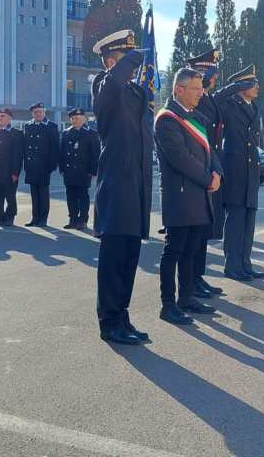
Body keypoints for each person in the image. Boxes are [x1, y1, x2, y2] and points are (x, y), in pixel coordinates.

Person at [91, 29, 152, 345]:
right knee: (113, 257)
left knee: (130, 255)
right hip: (116, 184)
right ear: (113, 61)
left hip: (136, 185)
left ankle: (122, 316)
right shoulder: (104, 86)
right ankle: (109, 321)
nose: (135, 67)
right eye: (127, 59)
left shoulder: (136, 93)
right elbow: (112, 82)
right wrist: (129, 61)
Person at [155, 67, 222, 326]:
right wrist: (208, 178)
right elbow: (181, 159)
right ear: (179, 89)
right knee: (174, 250)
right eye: (196, 89)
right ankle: (168, 304)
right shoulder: (167, 119)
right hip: (180, 196)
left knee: (191, 251)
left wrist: (216, 171)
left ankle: (186, 297)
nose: (201, 94)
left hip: (198, 195)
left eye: (201, 88)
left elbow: (209, 150)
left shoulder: (195, 116)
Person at [217, 65, 264, 281]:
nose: (257, 87)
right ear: (242, 85)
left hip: (251, 169)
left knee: (249, 220)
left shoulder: (253, 106)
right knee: (235, 220)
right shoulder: (229, 105)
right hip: (234, 168)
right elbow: (214, 100)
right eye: (252, 83)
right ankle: (232, 265)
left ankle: (245, 263)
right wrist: (233, 87)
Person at [189, 49, 226, 297]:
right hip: (201, 167)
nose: (212, 79)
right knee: (195, 233)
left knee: (203, 232)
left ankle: (198, 277)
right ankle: (191, 280)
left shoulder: (209, 97)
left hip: (210, 164)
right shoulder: (198, 100)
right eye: (210, 74)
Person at [59, 107, 99, 229]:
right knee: (70, 196)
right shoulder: (66, 133)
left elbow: (95, 154)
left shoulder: (91, 134)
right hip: (69, 170)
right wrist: (61, 168)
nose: (74, 120)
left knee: (82, 196)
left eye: (77, 118)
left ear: (84, 119)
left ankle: (83, 220)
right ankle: (72, 219)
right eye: (73, 118)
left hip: (83, 171)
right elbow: (62, 152)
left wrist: (93, 171)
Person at [22, 102, 60, 227]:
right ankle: (35, 218)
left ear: (44, 112)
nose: (37, 114)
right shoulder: (28, 125)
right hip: (31, 165)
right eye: (35, 112)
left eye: (39, 112)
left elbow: (55, 147)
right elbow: (26, 147)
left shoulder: (51, 126)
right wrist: (26, 164)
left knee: (43, 194)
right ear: (32, 114)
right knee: (34, 194)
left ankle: (43, 218)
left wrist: (52, 165)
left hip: (44, 166)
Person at [0, 107, 23, 226]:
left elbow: (17, 155)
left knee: (10, 196)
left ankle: (10, 217)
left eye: (3, 116)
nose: (0, 118)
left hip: (8, 171)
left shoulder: (16, 133)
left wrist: (15, 173)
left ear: (10, 118)